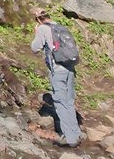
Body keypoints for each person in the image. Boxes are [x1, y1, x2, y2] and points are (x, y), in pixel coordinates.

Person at [30, 9, 81, 147]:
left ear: (38, 19)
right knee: (69, 101)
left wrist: (36, 33)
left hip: (57, 70)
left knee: (60, 101)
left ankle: (69, 138)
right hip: (70, 68)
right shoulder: (60, 27)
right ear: (48, 16)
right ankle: (76, 134)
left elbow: (35, 48)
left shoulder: (43, 29)